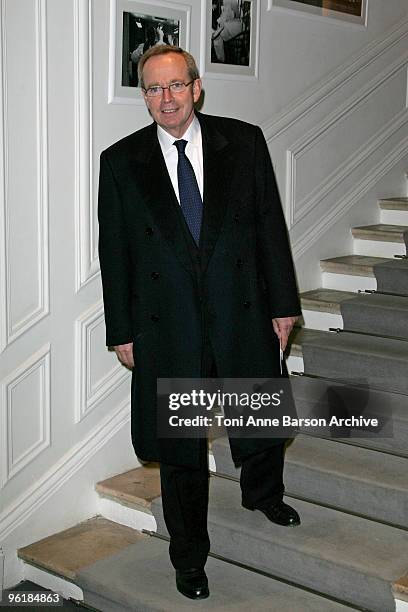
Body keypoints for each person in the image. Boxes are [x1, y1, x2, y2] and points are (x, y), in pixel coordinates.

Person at [98, 45, 301, 601]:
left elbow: (268, 228)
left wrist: (284, 304)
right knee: (181, 446)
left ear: (196, 86)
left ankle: (263, 493)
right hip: (168, 325)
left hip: (242, 307)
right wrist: (122, 329)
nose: (166, 98)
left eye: (175, 85)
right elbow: (113, 253)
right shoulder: (120, 162)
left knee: (256, 414)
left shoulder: (246, 141)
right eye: (153, 89)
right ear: (144, 95)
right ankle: (188, 554)